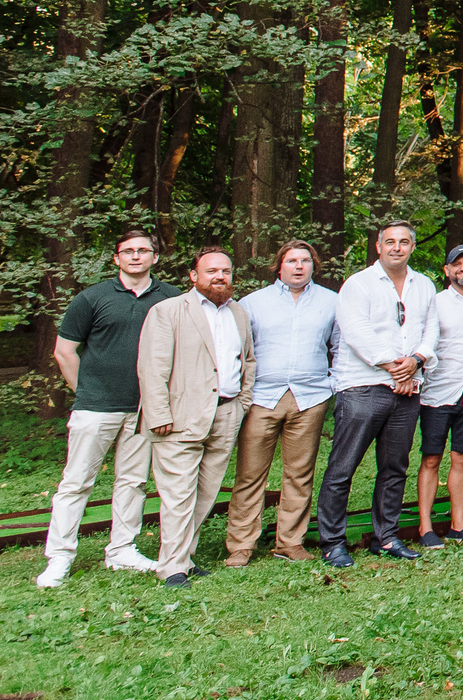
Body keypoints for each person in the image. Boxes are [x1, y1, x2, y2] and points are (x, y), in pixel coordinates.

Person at [39, 229, 182, 587]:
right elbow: (64, 351)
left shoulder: (172, 298)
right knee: (76, 483)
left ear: (155, 257)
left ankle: (122, 550)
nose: (136, 256)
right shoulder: (92, 298)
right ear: (116, 258)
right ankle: (59, 557)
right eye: (127, 251)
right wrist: (86, 392)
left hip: (144, 409)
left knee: (133, 482)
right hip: (96, 407)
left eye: (143, 250)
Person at [315, 220, 438, 568]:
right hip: (362, 387)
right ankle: (333, 542)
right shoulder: (358, 285)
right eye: (389, 242)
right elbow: (356, 333)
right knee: (343, 466)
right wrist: (393, 366)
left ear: (412, 247)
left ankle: (385, 537)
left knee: (394, 466)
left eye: (403, 242)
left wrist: (415, 362)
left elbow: (431, 331)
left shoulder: (424, 285)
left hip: (408, 388)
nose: (397, 248)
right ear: (378, 247)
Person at [137, 248, 255, 586]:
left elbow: (247, 360)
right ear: (193, 275)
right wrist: (158, 413)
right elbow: (152, 367)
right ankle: (171, 567)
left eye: (225, 271)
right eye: (211, 271)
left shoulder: (238, 313)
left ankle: (185, 558)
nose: (219, 277)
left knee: (205, 494)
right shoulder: (169, 311)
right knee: (178, 496)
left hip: (226, 414)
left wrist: (242, 402)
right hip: (179, 417)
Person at [226, 239, 338, 567]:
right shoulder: (252, 303)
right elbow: (240, 349)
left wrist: (330, 384)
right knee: (249, 474)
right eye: (292, 261)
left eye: (305, 260)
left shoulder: (331, 302)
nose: (299, 266)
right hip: (262, 398)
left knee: (299, 474)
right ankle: (241, 545)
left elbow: (341, 345)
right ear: (280, 266)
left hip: (310, 397)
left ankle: (289, 542)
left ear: (313, 265)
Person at [414, 243, 463, 549]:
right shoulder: (436, 303)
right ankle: (425, 527)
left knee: (462, 458)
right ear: (447, 271)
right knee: (431, 458)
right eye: (457, 265)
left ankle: (459, 524)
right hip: (438, 392)